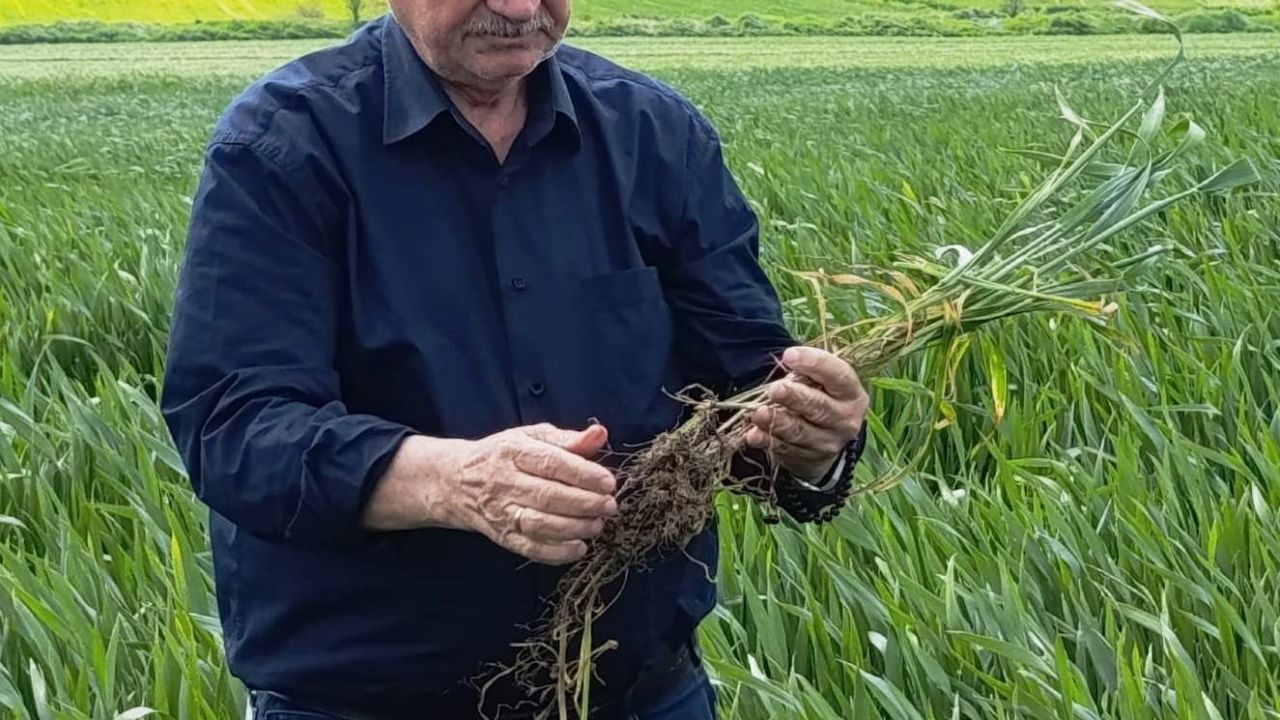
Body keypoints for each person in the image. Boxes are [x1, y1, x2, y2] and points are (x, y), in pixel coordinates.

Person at [161, 1, 869, 718]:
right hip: (365, 699)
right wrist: (451, 481)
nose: (519, 8)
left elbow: (746, 384)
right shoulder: (282, 146)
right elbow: (235, 426)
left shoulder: (654, 135)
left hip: (639, 691)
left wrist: (812, 441)